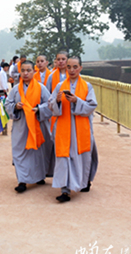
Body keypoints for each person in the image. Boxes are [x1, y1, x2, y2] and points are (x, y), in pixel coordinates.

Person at [48, 56, 98, 203]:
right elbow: (51, 105)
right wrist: (57, 100)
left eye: (75, 67)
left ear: (80, 68)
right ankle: (65, 190)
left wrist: (77, 101)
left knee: (82, 157)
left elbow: (91, 106)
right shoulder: (59, 86)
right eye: (69, 67)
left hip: (79, 130)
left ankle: (84, 181)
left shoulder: (87, 86)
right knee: (63, 158)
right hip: (63, 129)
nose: (71, 70)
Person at [5, 60, 54, 193]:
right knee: (20, 153)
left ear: (34, 71)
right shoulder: (15, 90)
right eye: (23, 70)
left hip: (38, 126)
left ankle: (39, 176)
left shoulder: (41, 88)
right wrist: (15, 106)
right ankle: (22, 180)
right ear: (19, 72)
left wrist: (39, 109)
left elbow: (50, 105)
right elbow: (7, 104)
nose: (25, 73)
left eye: (28, 70)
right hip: (21, 127)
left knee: (38, 153)